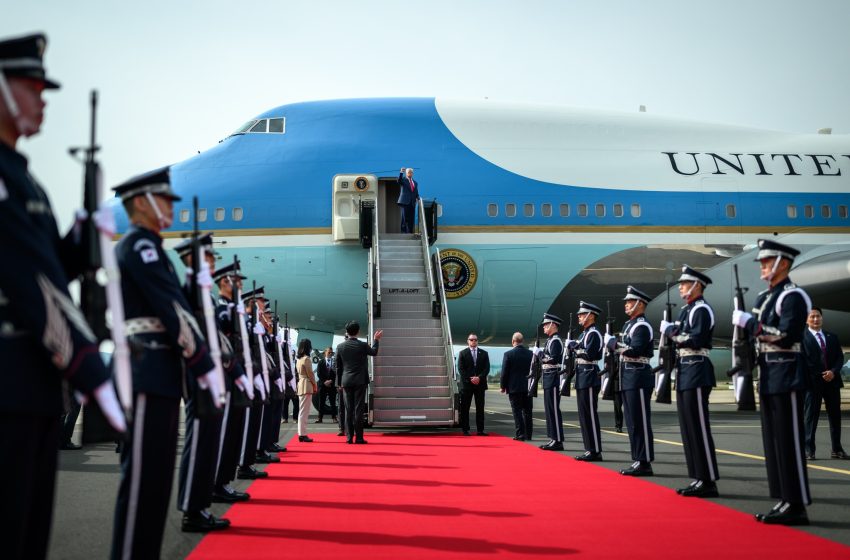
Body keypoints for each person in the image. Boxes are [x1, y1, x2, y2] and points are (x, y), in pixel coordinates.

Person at [0, 32, 125, 560]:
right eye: (32, 87)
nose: (42, 100)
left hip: (30, 381)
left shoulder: (24, 180)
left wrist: (82, 239)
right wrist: (90, 369)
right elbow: (31, 283)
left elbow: (48, 263)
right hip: (9, 378)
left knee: (29, 529)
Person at [110, 166, 220, 559]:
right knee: (141, 486)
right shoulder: (140, 245)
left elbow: (180, 306)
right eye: (165, 200)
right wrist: (205, 365)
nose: (171, 208)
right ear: (141, 202)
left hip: (161, 373)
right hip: (144, 370)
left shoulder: (152, 247)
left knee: (155, 485)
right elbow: (171, 312)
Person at [732, 239, 812, 525]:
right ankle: (783, 498)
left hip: (788, 372)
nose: (763, 267)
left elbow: (786, 334)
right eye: (763, 263)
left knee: (789, 442)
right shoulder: (765, 299)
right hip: (768, 373)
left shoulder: (793, 296)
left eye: (768, 262)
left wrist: (750, 324)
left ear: (784, 263)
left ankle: (797, 503)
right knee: (774, 442)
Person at [173, 233, 230, 532]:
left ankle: (200, 505)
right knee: (198, 443)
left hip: (211, 372)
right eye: (208, 257)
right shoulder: (188, 289)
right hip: (199, 373)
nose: (212, 262)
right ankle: (191, 510)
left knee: (208, 441)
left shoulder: (203, 293)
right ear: (193, 259)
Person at [660, 266, 720, 497]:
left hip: (697, 369)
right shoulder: (687, 311)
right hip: (686, 371)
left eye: (685, 284)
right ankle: (697, 477)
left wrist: (672, 332)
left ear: (697, 286)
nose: (681, 287)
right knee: (688, 428)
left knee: (698, 427)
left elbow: (696, 339)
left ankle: (708, 479)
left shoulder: (702, 310)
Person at [211, 263, 253, 502]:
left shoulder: (233, 309)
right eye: (238, 283)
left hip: (237, 376)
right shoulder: (219, 309)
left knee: (233, 433)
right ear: (224, 282)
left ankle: (224, 482)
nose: (241, 286)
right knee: (225, 434)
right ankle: (216, 484)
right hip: (226, 375)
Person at [606, 286, 655, 476]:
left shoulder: (642, 325)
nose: (626, 304)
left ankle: (645, 461)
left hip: (639, 375)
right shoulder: (629, 325)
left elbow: (634, 350)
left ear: (640, 304)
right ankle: (638, 459)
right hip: (628, 376)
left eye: (630, 301)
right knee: (632, 421)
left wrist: (613, 344)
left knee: (640, 421)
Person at [802, 307, 847, 460]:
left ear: (822, 318)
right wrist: (822, 374)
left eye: (818, 316)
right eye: (812, 316)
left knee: (835, 416)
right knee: (810, 417)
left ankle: (837, 449)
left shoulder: (832, 337)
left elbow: (840, 358)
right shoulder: (802, 338)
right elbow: (803, 361)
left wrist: (833, 372)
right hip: (812, 384)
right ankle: (809, 450)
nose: (816, 319)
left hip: (832, 382)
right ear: (807, 319)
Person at [336, 321, 383, 444]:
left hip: (346, 381)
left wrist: (338, 383)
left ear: (347, 332)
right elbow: (374, 352)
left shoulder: (340, 347)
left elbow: (338, 367)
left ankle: (349, 437)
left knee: (348, 409)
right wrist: (376, 340)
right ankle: (359, 437)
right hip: (360, 381)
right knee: (358, 409)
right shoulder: (362, 345)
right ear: (357, 332)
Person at [573, 302, 604, 462]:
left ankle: (595, 450)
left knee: (590, 414)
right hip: (582, 375)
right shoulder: (583, 334)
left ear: (591, 315)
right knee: (584, 415)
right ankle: (589, 448)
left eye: (582, 314)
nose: (579, 316)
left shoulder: (594, 333)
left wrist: (575, 349)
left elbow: (591, 354)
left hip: (590, 374)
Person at [536, 313, 565, 451]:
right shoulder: (550, 340)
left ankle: (558, 440)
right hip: (548, 378)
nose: (544, 328)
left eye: (546, 325)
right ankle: (553, 438)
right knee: (549, 410)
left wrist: (540, 354)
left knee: (553, 410)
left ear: (553, 325)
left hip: (553, 378)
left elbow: (553, 359)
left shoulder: (556, 340)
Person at [500, 332, 534, 440]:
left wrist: (503, 386)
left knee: (517, 411)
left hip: (514, 388)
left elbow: (504, 372)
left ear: (513, 341)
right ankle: (528, 434)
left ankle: (520, 434)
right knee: (528, 411)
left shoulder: (508, 354)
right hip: (528, 387)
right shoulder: (531, 354)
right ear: (522, 341)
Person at [458, 332, 490, 436]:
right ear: (468, 341)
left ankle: (480, 430)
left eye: (475, 339)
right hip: (467, 385)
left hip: (480, 384)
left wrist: (479, 378)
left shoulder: (484, 353)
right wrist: (470, 378)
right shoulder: (462, 353)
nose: (473, 341)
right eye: (471, 339)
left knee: (480, 408)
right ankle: (465, 429)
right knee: (465, 408)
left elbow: (487, 368)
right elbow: (461, 369)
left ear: (477, 341)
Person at [295, 338, 318, 442]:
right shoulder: (307, 359)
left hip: (300, 384)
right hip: (306, 384)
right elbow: (311, 374)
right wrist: (315, 385)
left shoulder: (299, 359)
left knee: (302, 411)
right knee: (304, 411)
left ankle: (301, 433)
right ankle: (302, 434)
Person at [316, 347, 338, 423]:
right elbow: (319, 373)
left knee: (333, 402)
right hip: (323, 385)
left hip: (332, 385)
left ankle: (334, 417)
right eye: (329, 352)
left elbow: (336, 373)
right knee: (321, 402)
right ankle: (320, 418)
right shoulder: (321, 362)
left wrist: (331, 381)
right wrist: (325, 382)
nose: (330, 354)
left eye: (331, 353)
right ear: (325, 353)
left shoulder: (334, 362)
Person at [397, 167, 419, 234]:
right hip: (405, 202)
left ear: (412, 173)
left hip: (412, 203)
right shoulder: (403, 180)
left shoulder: (415, 182)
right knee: (404, 218)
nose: (410, 173)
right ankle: (403, 232)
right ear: (406, 173)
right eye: (408, 172)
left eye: (411, 172)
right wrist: (401, 172)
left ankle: (410, 232)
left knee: (411, 218)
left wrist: (418, 197)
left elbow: (416, 192)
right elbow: (399, 181)